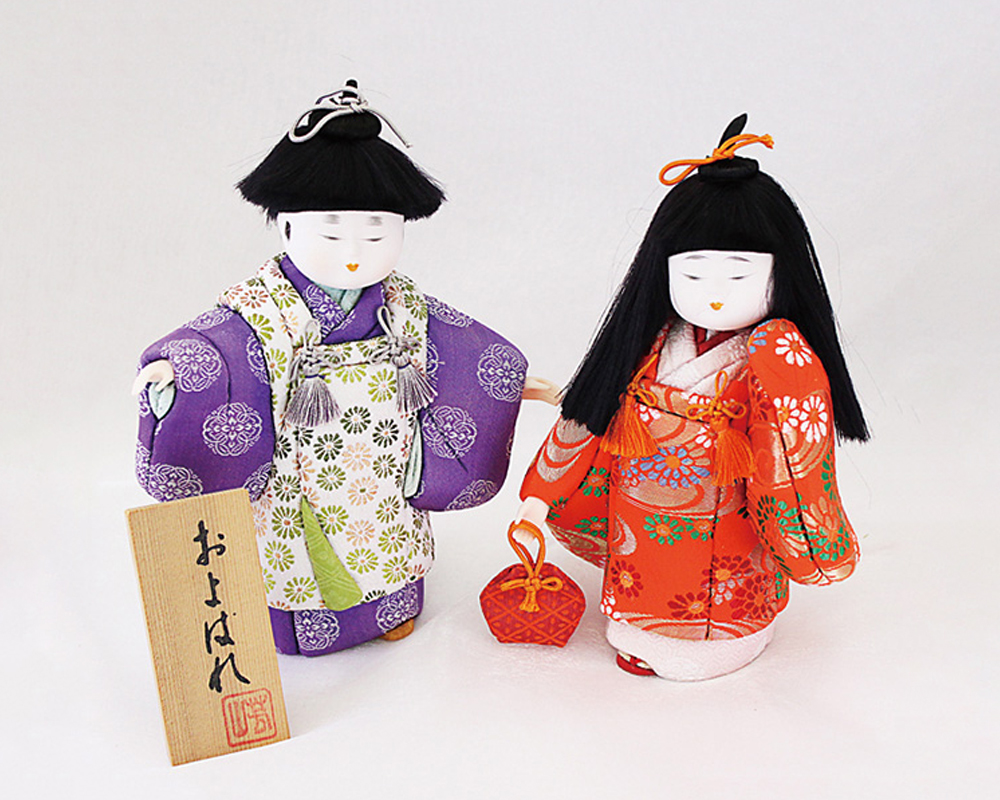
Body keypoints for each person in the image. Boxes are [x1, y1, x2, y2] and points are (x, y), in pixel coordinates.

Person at [135, 80, 529, 656]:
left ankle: (392, 609)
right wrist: (178, 376)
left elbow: (470, 356)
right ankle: (296, 628)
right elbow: (216, 351)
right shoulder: (261, 310)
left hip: (383, 471)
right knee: (299, 557)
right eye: (332, 231)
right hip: (298, 478)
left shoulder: (404, 306)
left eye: (376, 231)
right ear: (286, 225)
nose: (355, 251)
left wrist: (510, 379)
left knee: (385, 546)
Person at [516, 116, 869, 680]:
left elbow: (791, 461)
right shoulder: (648, 341)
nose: (713, 296)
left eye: (737, 276)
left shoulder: (773, 358)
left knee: (714, 591)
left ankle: (718, 642)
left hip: (726, 524)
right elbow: (592, 416)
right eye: (694, 275)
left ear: (782, 275)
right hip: (639, 517)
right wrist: (540, 496)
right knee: (640, 580)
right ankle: (637, 630)